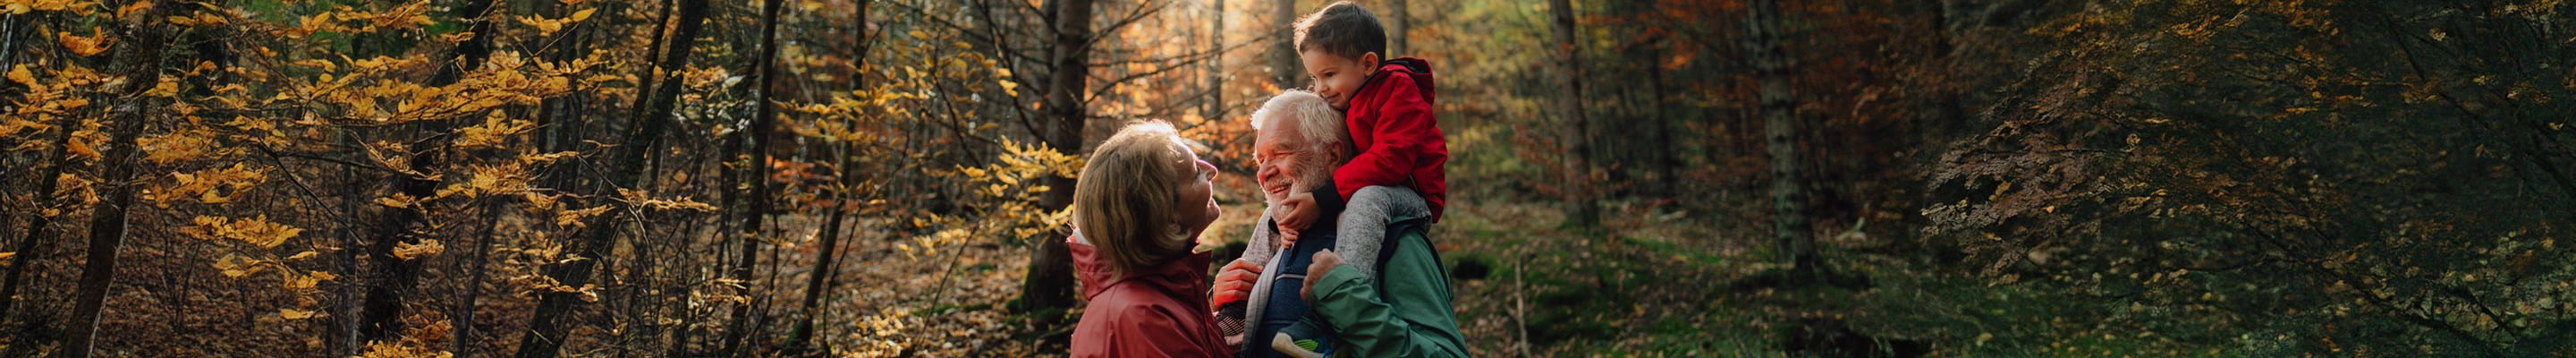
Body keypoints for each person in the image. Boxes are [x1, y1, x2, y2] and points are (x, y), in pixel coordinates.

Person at [1213, 91, 1467, 358]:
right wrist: (1215, 302)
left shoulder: (1395, 240)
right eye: (1261, 159)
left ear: (1333, 155)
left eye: (1280, 153)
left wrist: (1351, 306)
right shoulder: (1275, 235)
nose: (1264, 172)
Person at [1273, 1, 1451, 234]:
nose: (1320, 88)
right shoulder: (1345, 98)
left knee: (1366, 198)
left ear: (1368, 64)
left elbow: (1391, 160)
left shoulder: (1399, 91)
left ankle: (1347, 261)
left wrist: (1325, 197)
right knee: (1289, 202)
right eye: (1315, 78)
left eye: (1329, 74)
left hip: (1412, 195)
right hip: (1362, 186)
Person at [1068, 122, 1233, 357]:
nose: (1212, 170)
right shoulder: (1144, 321)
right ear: (1168, 218)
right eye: (1196, 172)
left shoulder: (1159, 297)